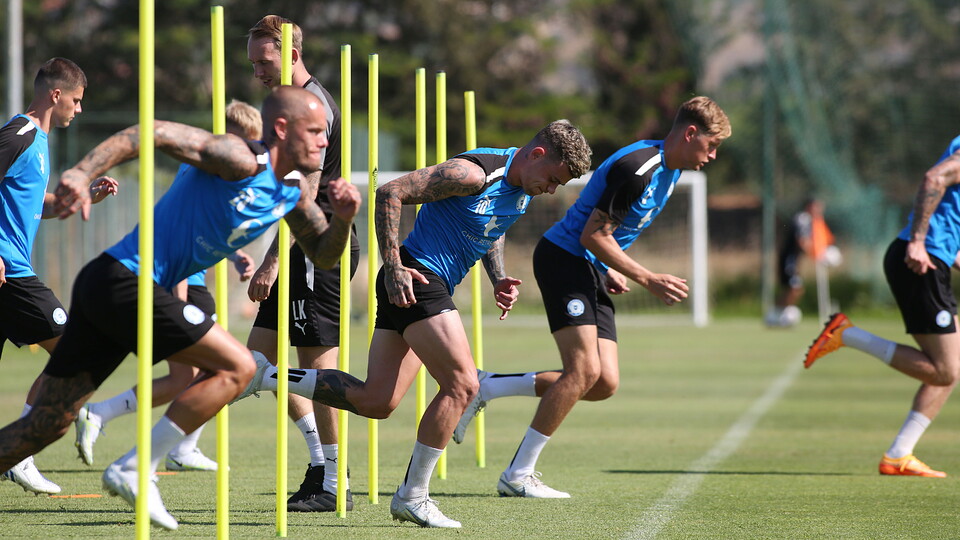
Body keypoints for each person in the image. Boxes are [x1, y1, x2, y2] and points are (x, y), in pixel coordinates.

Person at [0, 85, 361, 531]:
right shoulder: (240, 157)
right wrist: (81, 171)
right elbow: (149, 132)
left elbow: (323, 255)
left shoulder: (292, 193)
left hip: (110, 287)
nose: (325, 141)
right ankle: (136, 468)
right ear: (282, 129)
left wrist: (344, 219)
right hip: (125, 281)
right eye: (315, 131)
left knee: (47, 424)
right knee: (239, 366)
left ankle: (128, 462)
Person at [233, 119, 592, 527]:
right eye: (552, 179)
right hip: (417, 278)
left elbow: (495, 223)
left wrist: (497, 277)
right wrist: (393, 266)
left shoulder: (521, 187)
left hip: (422, 285)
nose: (551, 190)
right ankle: (413, 496)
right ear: (537, 154)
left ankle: (265, 375)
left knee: (377, 401)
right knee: (464, 385)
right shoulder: (471, 173)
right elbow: (390, 192)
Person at [451, 97, 732, 498]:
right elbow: (592, 235)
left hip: (589, 267)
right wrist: (648, 278)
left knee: (603, 383)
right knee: (582, 371)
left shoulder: (669, 170)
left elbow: (605, 236)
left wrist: (609, 267)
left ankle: (488, 387)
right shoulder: (637, 169)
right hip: (564, 260)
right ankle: (518, 475)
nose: (713, 155)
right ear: (690, 133)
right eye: (712, 145)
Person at [72, 100, 261, 472]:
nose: (249, 154)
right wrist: (178, 299)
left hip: (188, 278)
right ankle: (131, 430)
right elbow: (183, 230)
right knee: (212, 369)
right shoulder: (204, 167)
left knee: (194, 375)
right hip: (179, 280)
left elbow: (208, 226)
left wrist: (235, 254)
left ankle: (119, 421)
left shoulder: (220, 170)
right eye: (245, 143)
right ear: (227, 138)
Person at [245, 14, 358, 512]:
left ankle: (334, 481)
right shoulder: (286, 104)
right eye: (252, 64)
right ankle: (321, 465)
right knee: (257, 364)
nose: (257, 73)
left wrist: (271, 261)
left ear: (291, 53)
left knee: (317, 369)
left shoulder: (312, 106)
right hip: (296, 249)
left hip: (317, 250)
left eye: (264, 61)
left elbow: (305, 196)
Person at [805, 134, 960, 478]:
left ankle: (899, 454)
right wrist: (918, 241)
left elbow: (947, 223)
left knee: (953, 364)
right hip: (920, 261)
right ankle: (847, 334)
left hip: (929, 259)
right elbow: (934, 178)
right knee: (946, 371)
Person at [0, 58, 118, 496]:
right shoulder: (20, 133)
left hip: (10, 273)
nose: (79, 109)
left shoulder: (39, 141)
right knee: (76, 351)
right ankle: (18, 452)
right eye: (76, 100)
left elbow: (33, 204)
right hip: (11, 272)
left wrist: (82, 197)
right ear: (56, 95)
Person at [765, 198, 839, 327]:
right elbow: (802, 240)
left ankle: (777, 313)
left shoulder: (812, 221)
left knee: (793, 289)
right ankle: (776, 314)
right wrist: (817, 255)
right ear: (809, 207)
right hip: (789, 259)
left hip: (793, 259)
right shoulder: (802, 219)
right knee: (795, 288)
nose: (819, 210)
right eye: (816, 207)